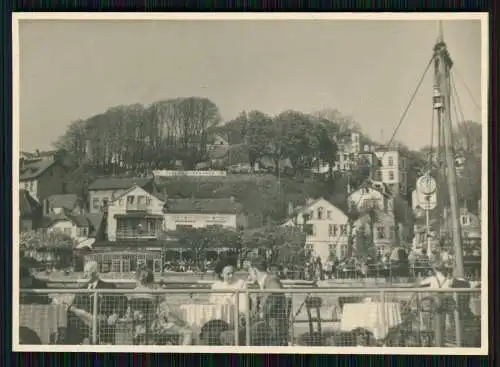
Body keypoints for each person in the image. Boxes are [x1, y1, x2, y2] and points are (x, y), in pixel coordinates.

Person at [66, 261, 127, 344]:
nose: (85, 275)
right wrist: (75, 309)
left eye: (88, 272)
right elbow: (74, 304)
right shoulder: (82, 289)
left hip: (102, 323)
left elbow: (122, 299)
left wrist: (116, 314)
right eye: (85, 272)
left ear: (96, 273)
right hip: (84, 324)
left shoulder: (108, 286)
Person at [247, 257, 288, 346]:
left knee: (243, 335)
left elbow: (274, 295)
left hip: (272, 327)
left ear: (255, 271)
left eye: (249, 272)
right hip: (266, 325)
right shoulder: (263, 283)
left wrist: (261, 313)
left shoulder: (271, 280)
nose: (248, 276)